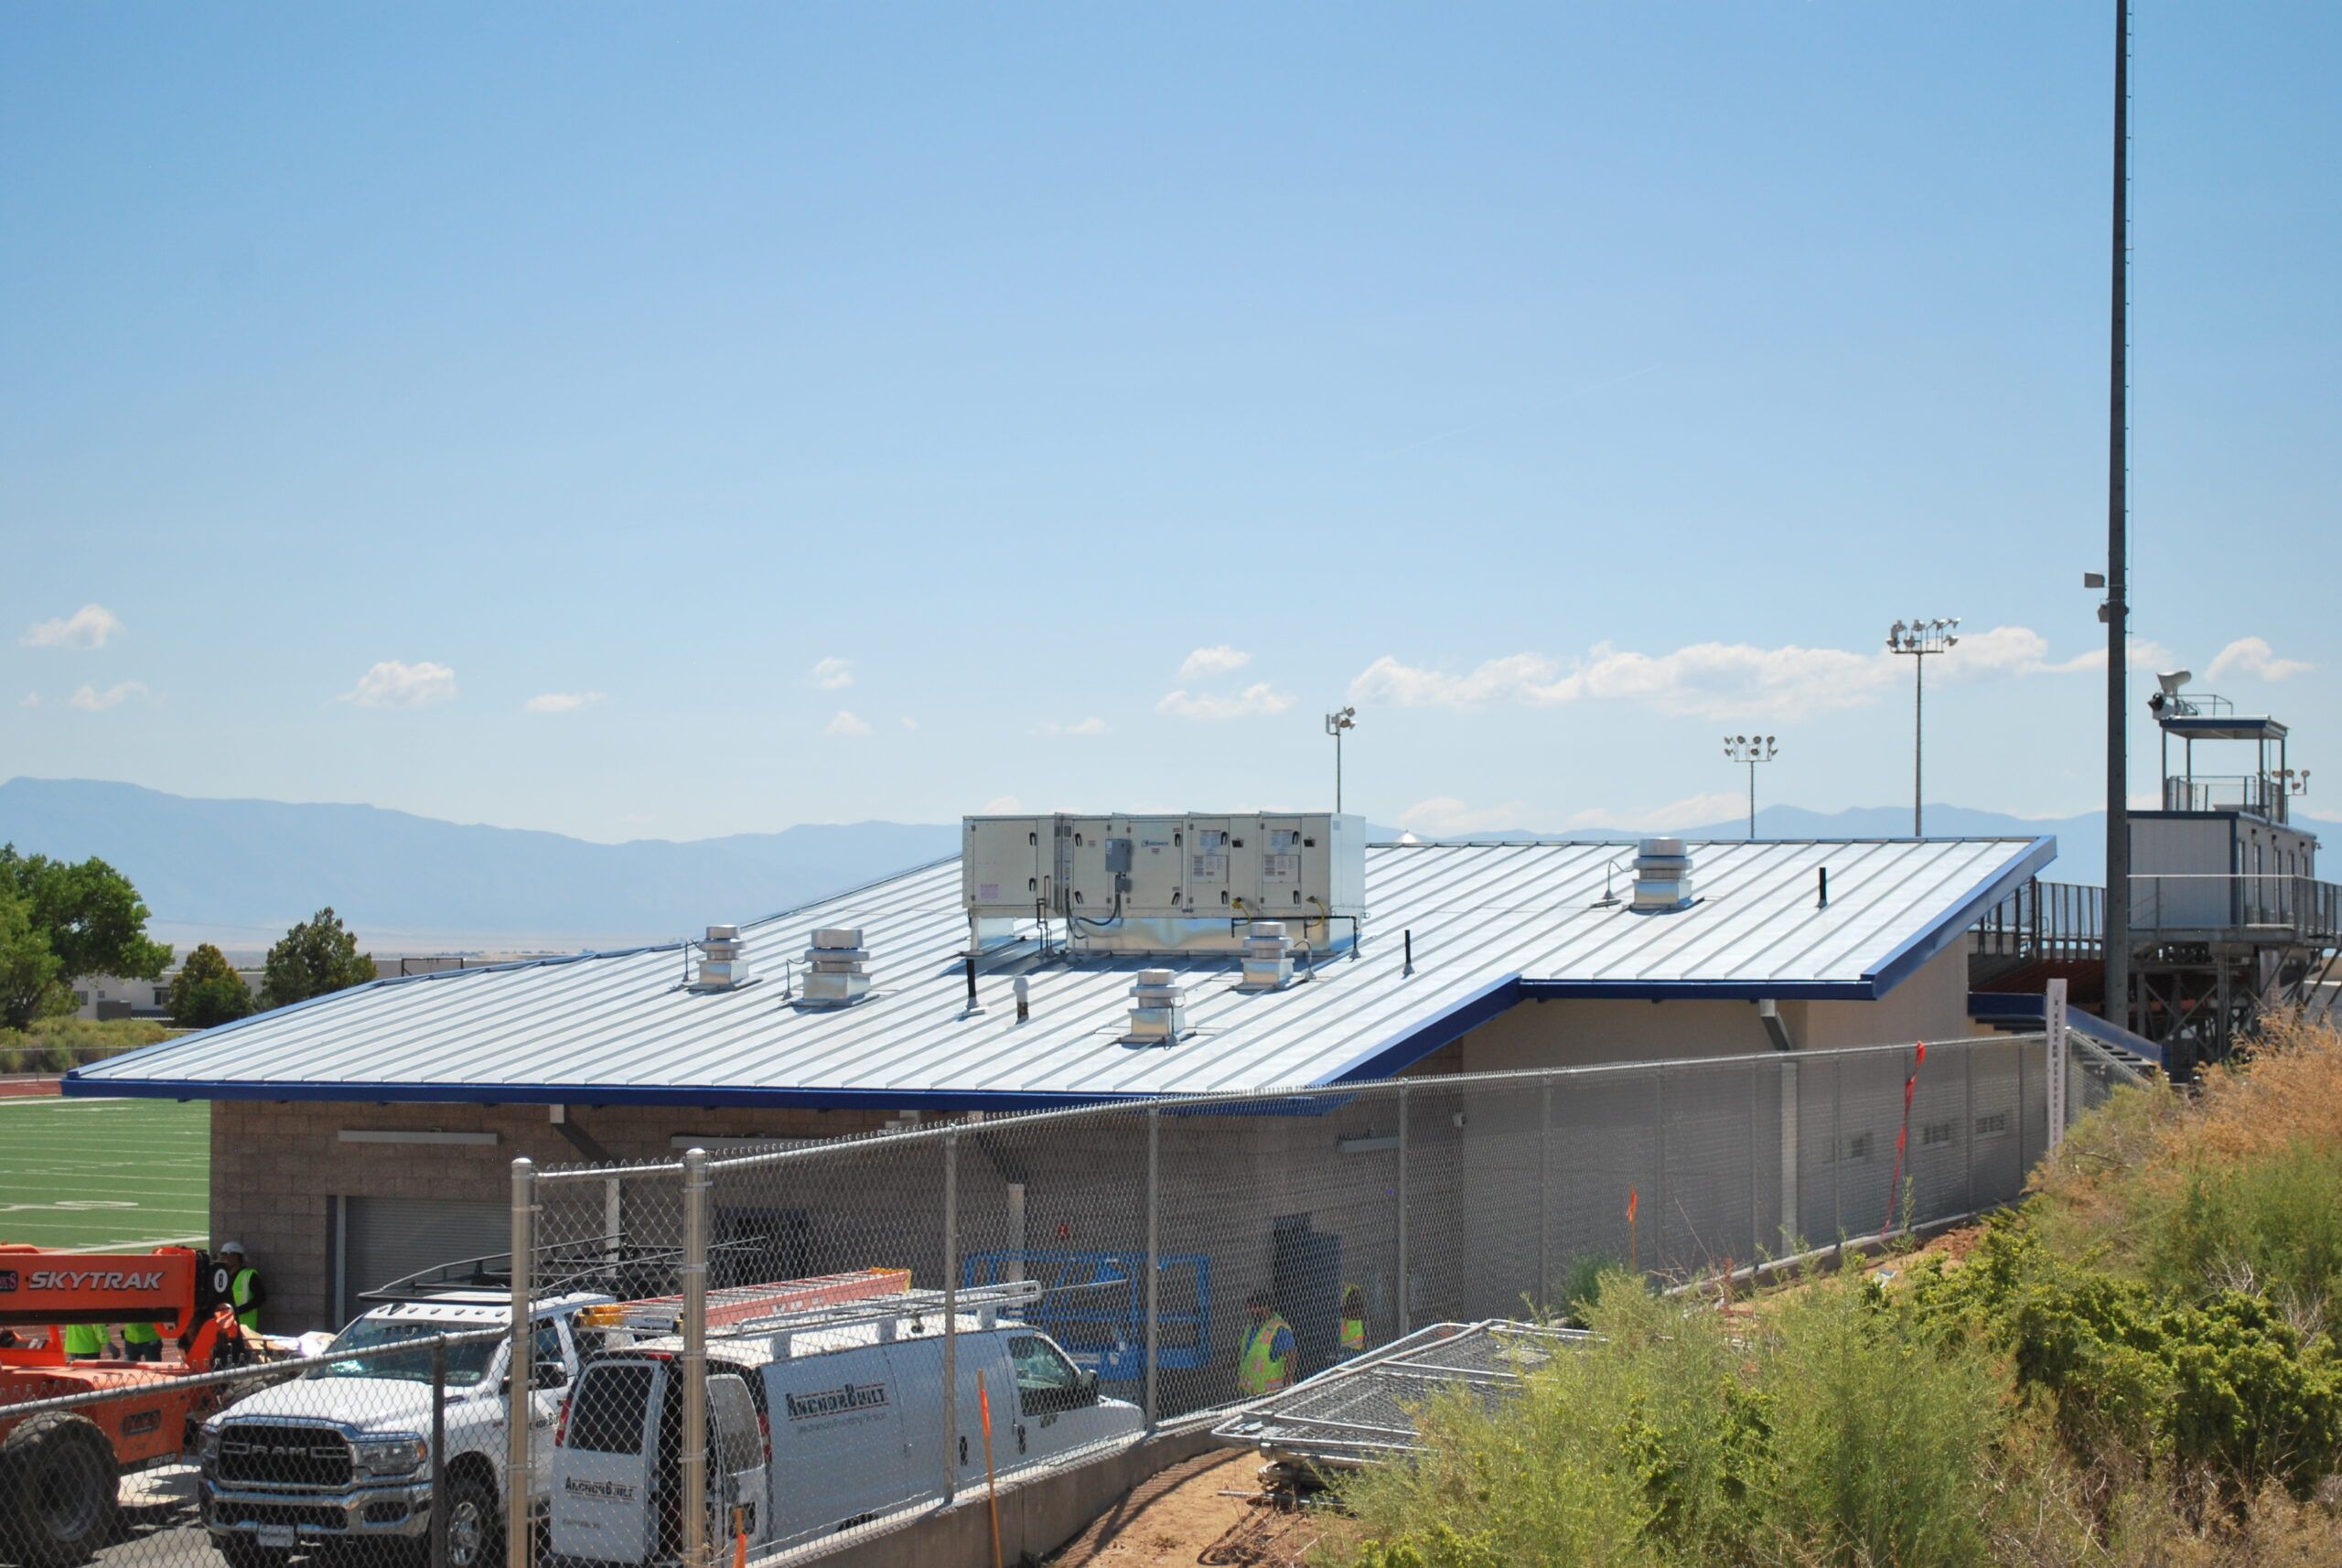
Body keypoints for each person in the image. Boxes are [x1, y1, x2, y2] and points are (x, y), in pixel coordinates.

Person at [1237, 1289, 1295, 1397]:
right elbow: (1247, 1352)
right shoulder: (1251, 1327)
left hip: (1270, 1392)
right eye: (1250, 1309)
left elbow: (1291, 1356)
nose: (1251, 1313)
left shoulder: (1279, 1329)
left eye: (1254, 1309)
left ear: (1266, 1308)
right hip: (1249, 1389)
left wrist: (1288, 1383)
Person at [219, 1241, 265, 1332]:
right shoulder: (223, 1275)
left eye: (225, 1255)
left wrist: (237, 1311)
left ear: (235, 1257)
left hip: (244, 1327)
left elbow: (260, 1298)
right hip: (225, 1325)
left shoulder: (249, 1275)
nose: (223, 1258)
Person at [1337, 1283, 1368, 1361]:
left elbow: (1358, 1341)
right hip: (1348, 1348)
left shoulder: (1354, 1320)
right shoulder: (1345, 1318)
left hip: (1350, 1350)